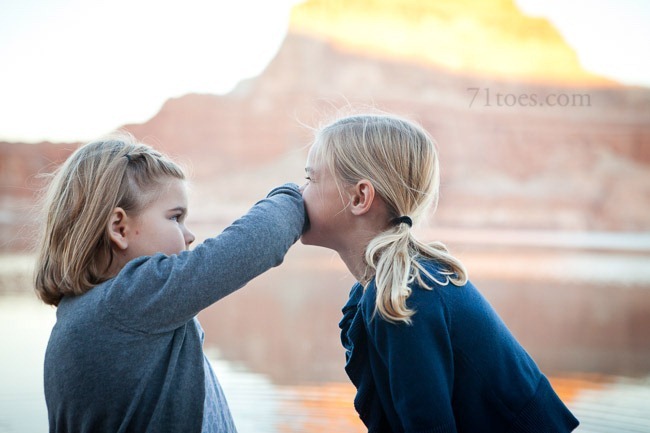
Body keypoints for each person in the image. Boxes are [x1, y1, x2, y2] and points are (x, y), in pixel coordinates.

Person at [300, 113, 579, 432]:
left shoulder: (404, 296)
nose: (299, 191)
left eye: (310, 179)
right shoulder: (388, 286)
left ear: (359, 197)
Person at [34, 132, 306, 433]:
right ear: (119, 228)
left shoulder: (82, 314)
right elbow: (250, 246)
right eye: (175, 218)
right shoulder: (126, 302)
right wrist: (295, 197)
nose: (189, 236)